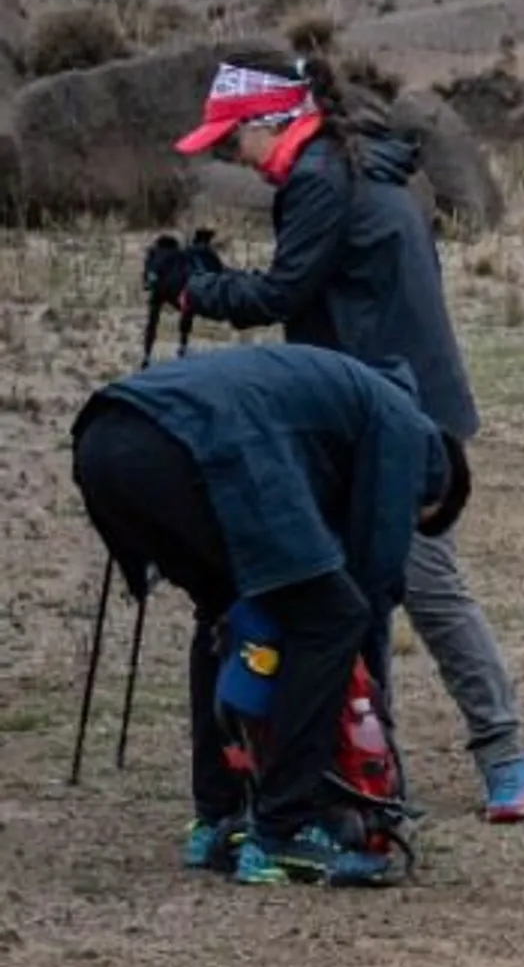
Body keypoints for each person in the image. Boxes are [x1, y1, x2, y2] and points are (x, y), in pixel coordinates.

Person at [154, 53, 524, 823]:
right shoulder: (358, 164)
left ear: (271, 122)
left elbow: (281, 291)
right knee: (362, 593)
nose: (234, 159)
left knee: (426, 589)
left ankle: (504, 761)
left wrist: (194, 287)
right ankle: (379, 771)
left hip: (392, 417)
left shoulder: (316, 178)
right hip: (389, 405)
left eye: (234, 141)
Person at [69, 343, 469, 886]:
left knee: (228, 611)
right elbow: (371, 588)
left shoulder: (357, 403)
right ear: (435, 488)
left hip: (105, 438)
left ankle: (219, 818)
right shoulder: (411, 439)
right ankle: (283, 828)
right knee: (334, 616)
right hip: (192, 447)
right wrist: (370, 725)